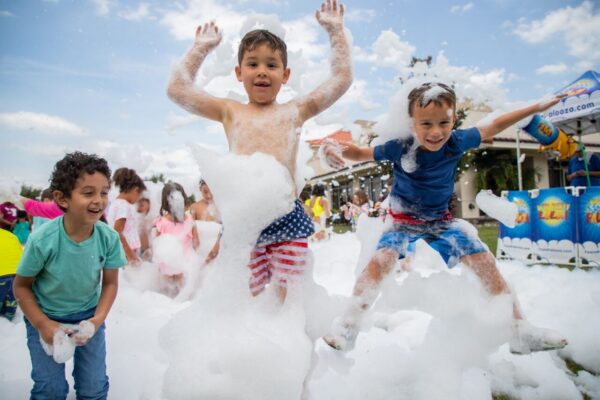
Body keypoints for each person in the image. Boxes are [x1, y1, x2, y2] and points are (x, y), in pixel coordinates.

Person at [320, 82, 568, 354]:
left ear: (453, 119)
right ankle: (348, 327)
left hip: (442, 221)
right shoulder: (400, 147)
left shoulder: (457, 141)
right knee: (381, 261)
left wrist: (535, 107)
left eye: (443, 122)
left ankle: (520, 331)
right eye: (426, 124)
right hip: (402, 220)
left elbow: (494, 125)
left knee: (485, 262)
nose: (436, 132)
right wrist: (331, 148)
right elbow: (358, 153)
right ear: (411, 122)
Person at [167, 0, 352, 302]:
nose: (262, 71)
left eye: (271, 64)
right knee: (244, 299)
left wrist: (335, 32)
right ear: (239, 72)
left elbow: (341, 79)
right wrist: (200, 49)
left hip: (287, 217)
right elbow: (177, 90)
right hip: (245, 221)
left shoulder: (295, 110)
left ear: (286, 74)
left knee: (288, 299)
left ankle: (288, 344)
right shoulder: (230, 111)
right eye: (253, 64)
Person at [12, 152, 126, 399]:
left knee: (93, 387)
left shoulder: (108, 238)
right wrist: (42, 324)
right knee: (50, 390)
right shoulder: (43, 240)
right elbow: (21, 286)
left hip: (88, 318)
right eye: (88, 193)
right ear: (62, 198)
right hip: (44, 316)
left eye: (104, 192)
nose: (99, 201)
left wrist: (97, 320)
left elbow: (110, 283)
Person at [153, 182, 200, 294]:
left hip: (167, 268)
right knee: (183, 296)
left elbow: (157, 249)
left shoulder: (161, 222)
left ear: (165, 202)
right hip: (185, 265)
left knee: (165, 297)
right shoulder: (190, 221)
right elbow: (197, 244)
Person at [105, 167, 146, 265]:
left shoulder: (116, 203)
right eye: (139, 196)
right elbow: (117, 232)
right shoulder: (123, 205)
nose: (137, 200)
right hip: (126, 255)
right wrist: (131, 256)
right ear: (136, 190)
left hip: (123, 253)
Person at [189, 179, 222, 263]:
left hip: (219, 251)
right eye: (205, 192)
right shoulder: (195, 207)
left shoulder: (221, 207)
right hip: (202, 252)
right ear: (200, 189)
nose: (209, 195)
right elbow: (189, 228)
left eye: (211, 192)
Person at [0, 228, 22, 321]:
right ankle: (9, 315)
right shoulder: (11, 235)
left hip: (1, 274)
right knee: (11, 300)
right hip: (16, 275)